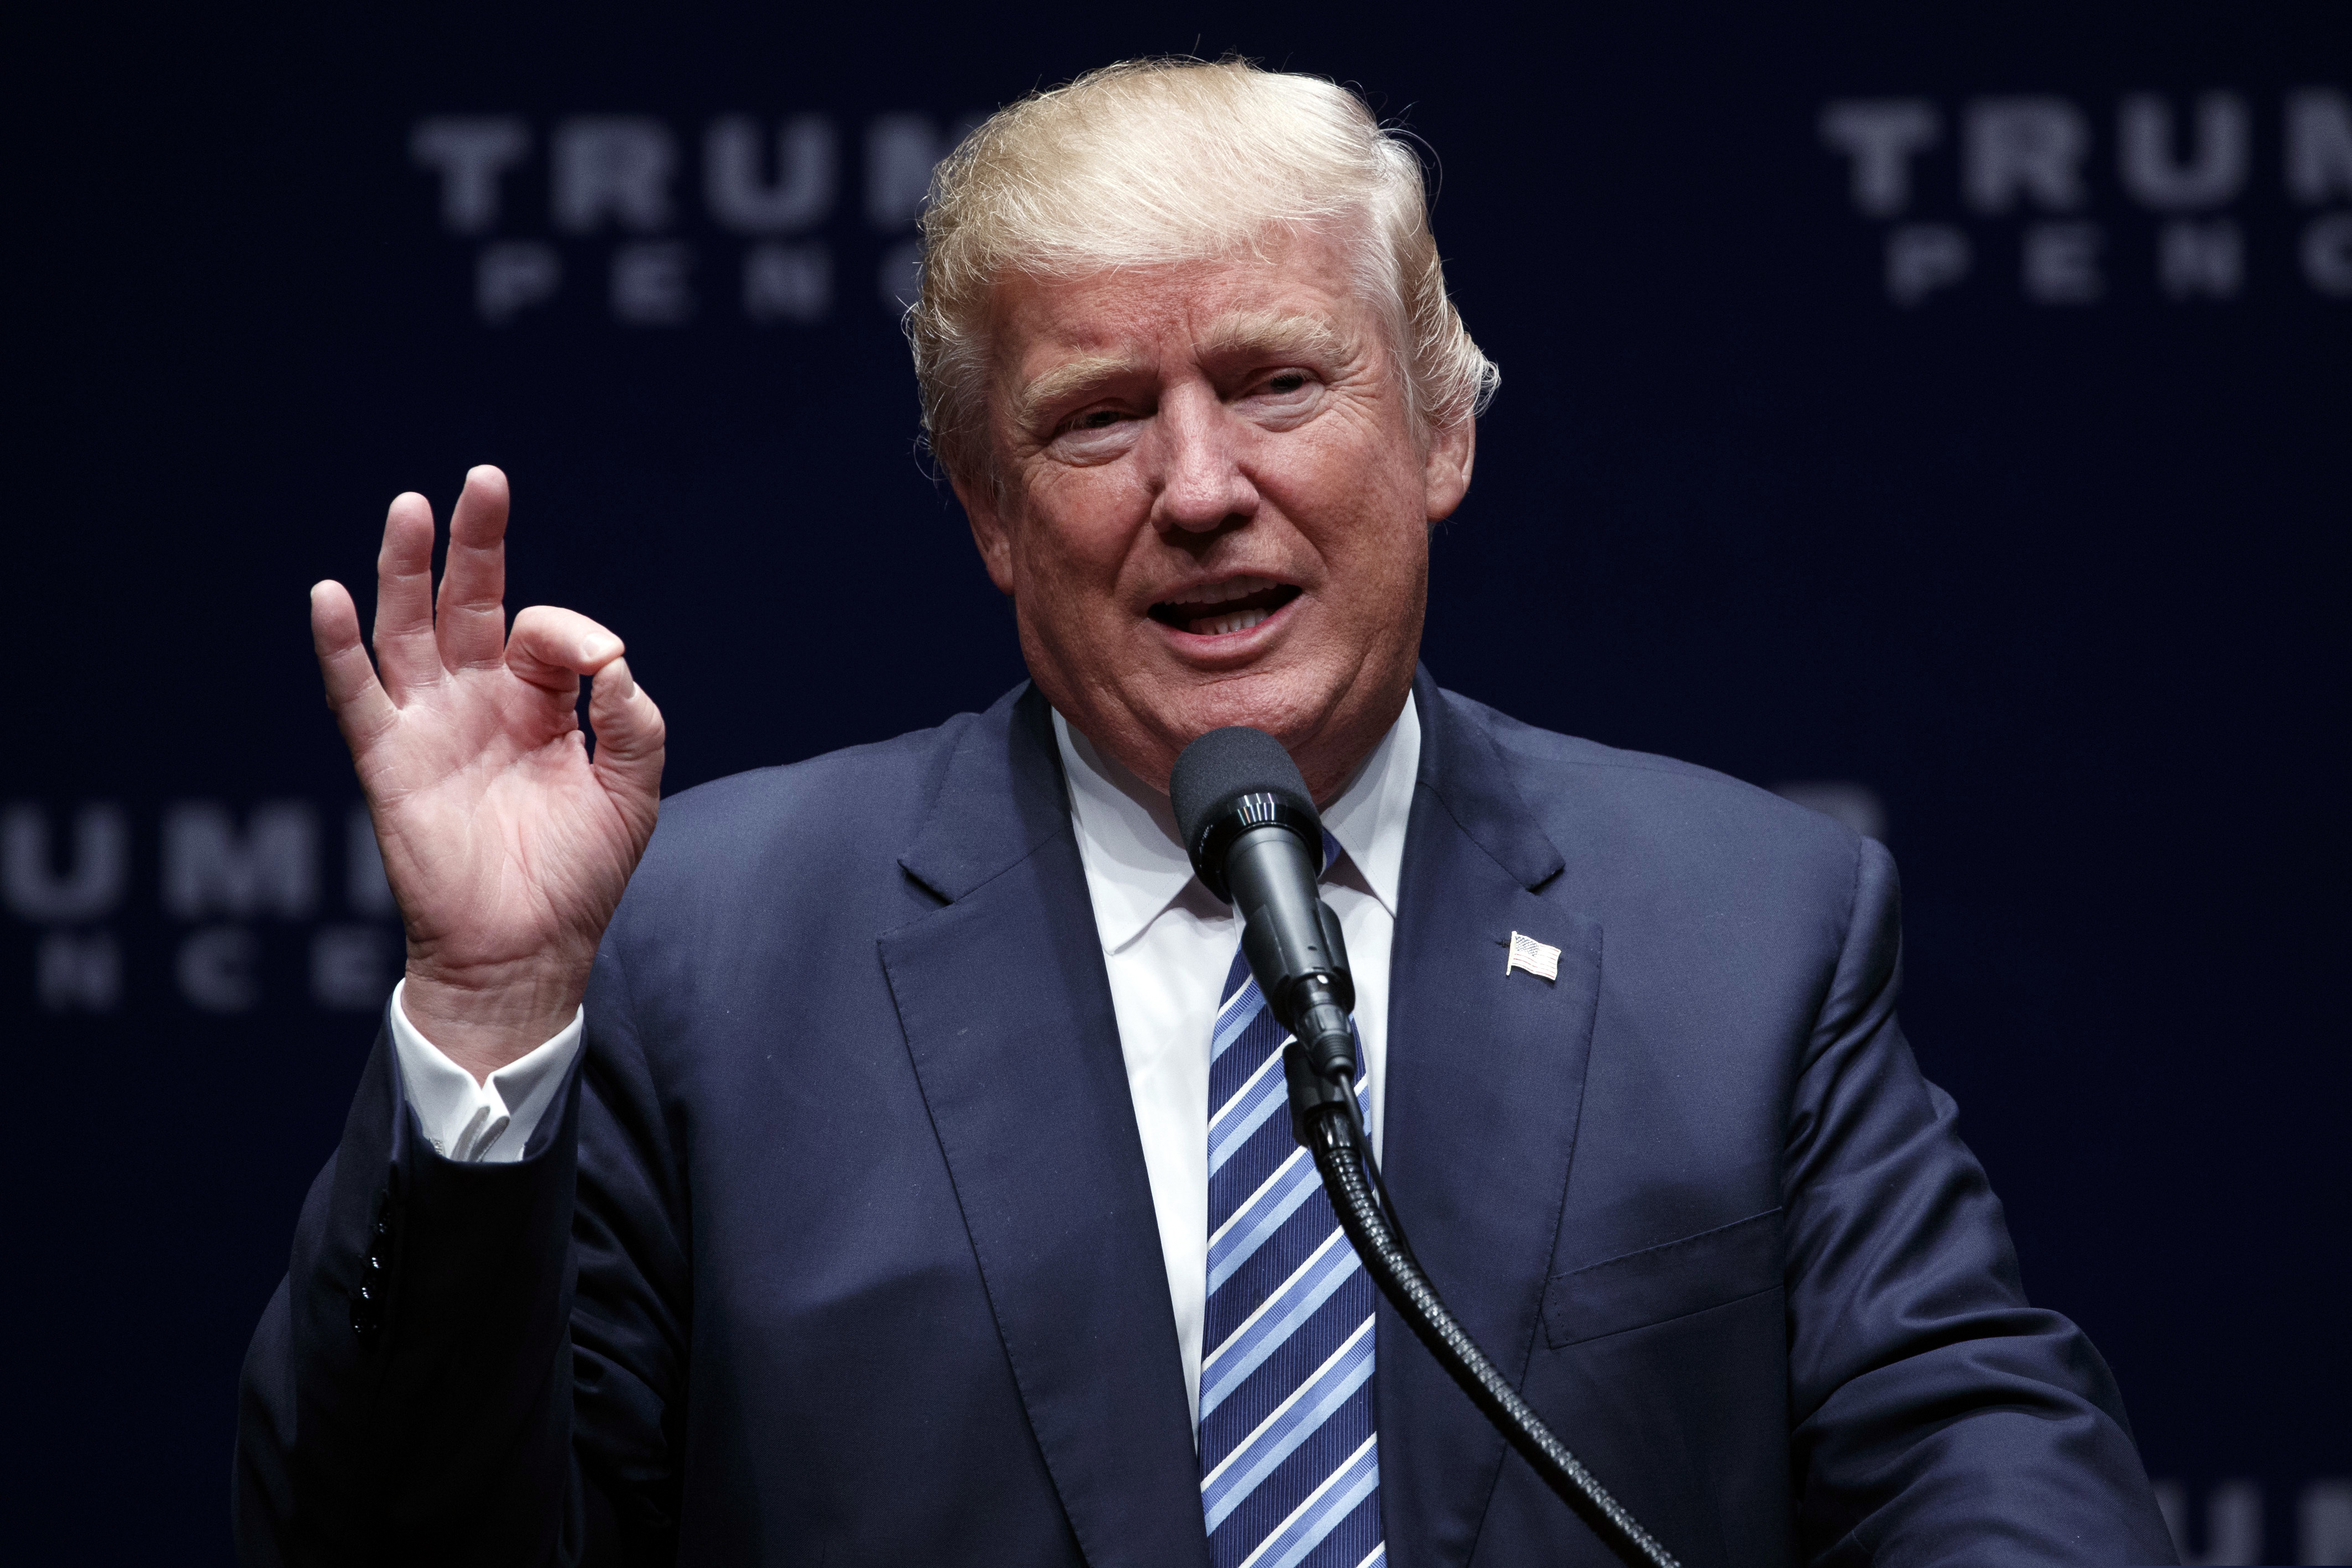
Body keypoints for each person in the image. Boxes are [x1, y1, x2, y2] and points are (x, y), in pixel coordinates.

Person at [235, 59, 2177, 1566]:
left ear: (1440, 431)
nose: (1197, 485)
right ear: (989, 514)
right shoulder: (705, 945)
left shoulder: (1745, 928)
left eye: (1276, 382)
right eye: (1094, 418)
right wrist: (491, 1010)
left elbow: (1983, 1459)